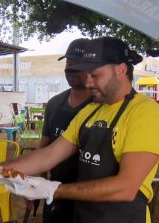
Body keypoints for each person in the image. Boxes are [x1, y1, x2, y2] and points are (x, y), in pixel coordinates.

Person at [1, 37, 159, 223]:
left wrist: (53, 190)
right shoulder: (90, 111)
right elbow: (49, 155)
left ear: (121, 70)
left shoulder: (144, 113)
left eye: (95, 75)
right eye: (86, 74)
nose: (88, 83)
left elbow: (127, 187)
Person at [39, 38, 92, 223]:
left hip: (90, 199)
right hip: (55, 195)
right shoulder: (55, 104)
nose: (71, 69)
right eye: (69, 63)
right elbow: (44, 147)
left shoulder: (101, 106)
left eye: (78, 64)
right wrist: (38, 183)